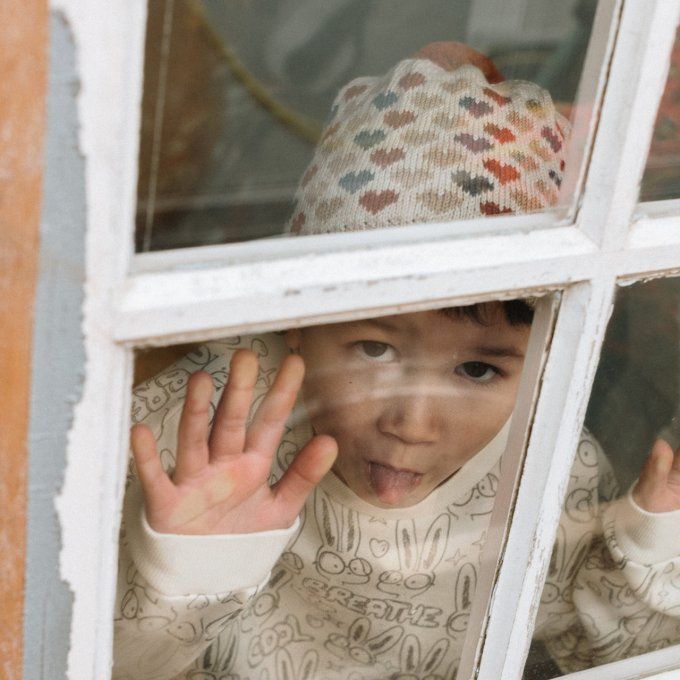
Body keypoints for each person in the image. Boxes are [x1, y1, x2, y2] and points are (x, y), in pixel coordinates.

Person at [113, 44, 680, 679]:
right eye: (376, 349)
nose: (413, 423)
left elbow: (610, 661)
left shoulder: (552, 470)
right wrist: (182, 575)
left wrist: (650, 556)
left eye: (478, 370)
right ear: (300, 323)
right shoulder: (206, 431)